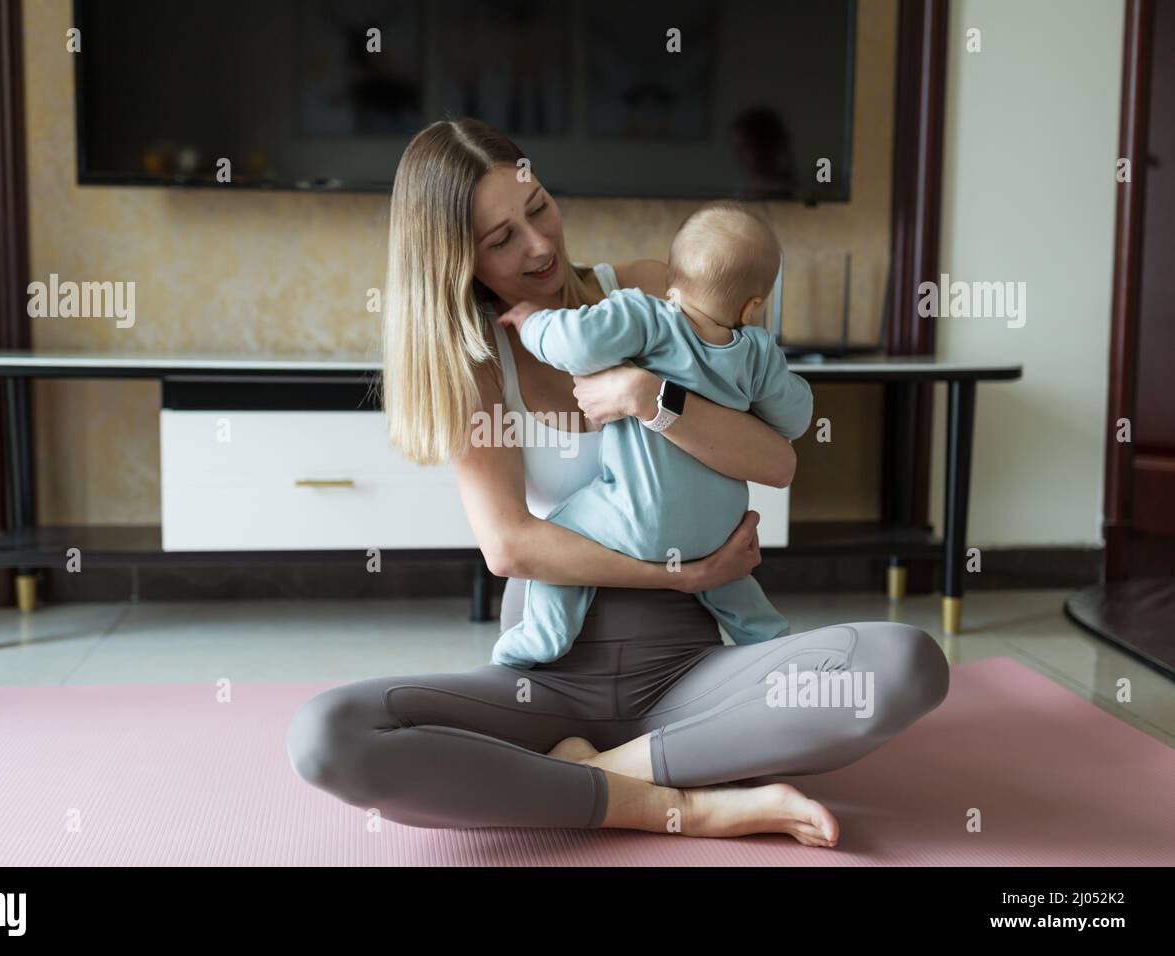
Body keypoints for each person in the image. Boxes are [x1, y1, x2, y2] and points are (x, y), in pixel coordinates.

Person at [286, 117, 949, 845]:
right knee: (328, 735)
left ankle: (601, 771)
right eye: (501, 238)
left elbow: (776, 461)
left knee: (905, 664)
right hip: (550, 674)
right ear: (454, 260)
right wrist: (682, 575)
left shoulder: (651, 292)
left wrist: (649, 398)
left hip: (693, 671)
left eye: (537, 207)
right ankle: (681, 802)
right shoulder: (476, 365)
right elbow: (510, 547)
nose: (538, 245)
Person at [490, 203, 811, 668]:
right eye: (501, 237)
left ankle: (544, 635)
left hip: (638, 523)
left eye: (539, 208)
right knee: (740, 597)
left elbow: (573, 343)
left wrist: (531, 323)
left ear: (671, 281)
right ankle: (775, 650)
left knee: (559, 528)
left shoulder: (647, 316)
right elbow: (796, 417)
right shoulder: (759, 353)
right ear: (753, 305)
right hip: (720, 533)